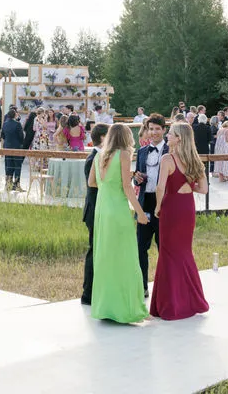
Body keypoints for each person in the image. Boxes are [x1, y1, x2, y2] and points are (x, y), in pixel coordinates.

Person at [87, 123, 150, 324]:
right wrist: (140, 213)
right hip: (117, 209)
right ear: (125, 138)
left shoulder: (99, 156)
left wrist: (108, 185)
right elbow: (127, 187)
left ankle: (106, 307)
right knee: (125, 257)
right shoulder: (123, 154)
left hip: (102, 209)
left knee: (105, 257)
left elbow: (92, 183)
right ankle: (127, 308)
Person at [150, 121, 210, 320]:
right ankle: (191, 301)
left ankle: (171, 305)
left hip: (172, 208)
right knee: (184, 252)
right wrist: (188, 186)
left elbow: (160, 187)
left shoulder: (168, 158)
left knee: (168, 254)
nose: (167, 135)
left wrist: (158, 207)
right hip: (187, 208)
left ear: (179, 138)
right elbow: (203, 189)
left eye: (171, 134)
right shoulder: (195, 160)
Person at [133, 112, 167, 297]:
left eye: (157, 129)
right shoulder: (142, 151)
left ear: (164, 130)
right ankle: (142, 285)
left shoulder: (171, 151)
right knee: (140, 248)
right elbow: (137, 180)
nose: (153, 132)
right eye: (151, 129)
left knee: (164, 248)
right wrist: (136, 178)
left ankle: (164, 287)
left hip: (164, 204)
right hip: (145, 203)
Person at [80, 122, 108, 306]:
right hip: (95, 209)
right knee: (94, 250)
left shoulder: (102, 157)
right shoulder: (93, 159)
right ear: (104, 138)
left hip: (102, 209)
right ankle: (88, 293)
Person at [2, 108, 25, 191]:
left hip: (7, 147)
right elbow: (21, 137)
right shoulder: (17, 124)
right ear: (15, 115)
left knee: (8, 166)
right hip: (16, 147)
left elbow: (2, 136)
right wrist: (21, 143)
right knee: (17, 166)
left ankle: (8, 185)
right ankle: (17, 185)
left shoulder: (5, 124)